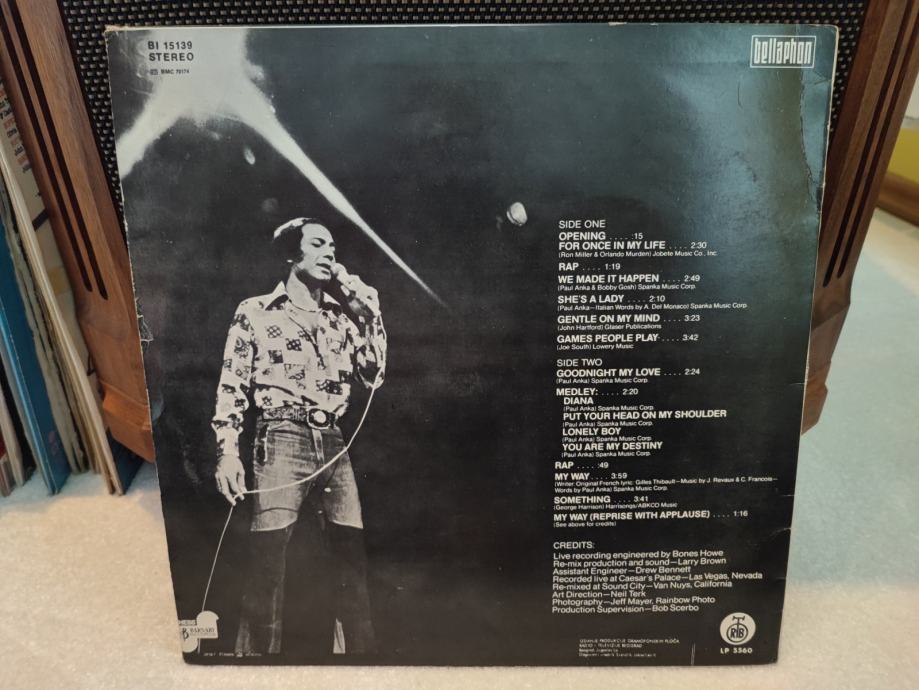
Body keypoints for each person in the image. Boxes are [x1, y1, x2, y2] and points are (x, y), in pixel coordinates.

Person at [211, 217, 386, 655]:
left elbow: (373, 375)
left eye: (333, 247)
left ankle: (359, 666)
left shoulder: (340, 319)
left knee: (350, 560)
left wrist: (371, 318)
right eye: (319, 244)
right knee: (267, 562)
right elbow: (232, 384)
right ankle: (253, 667)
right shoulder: (255, 310)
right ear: (293, 253)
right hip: (281, 436)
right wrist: (228, 452)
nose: (330, 253)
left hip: (334, 442)